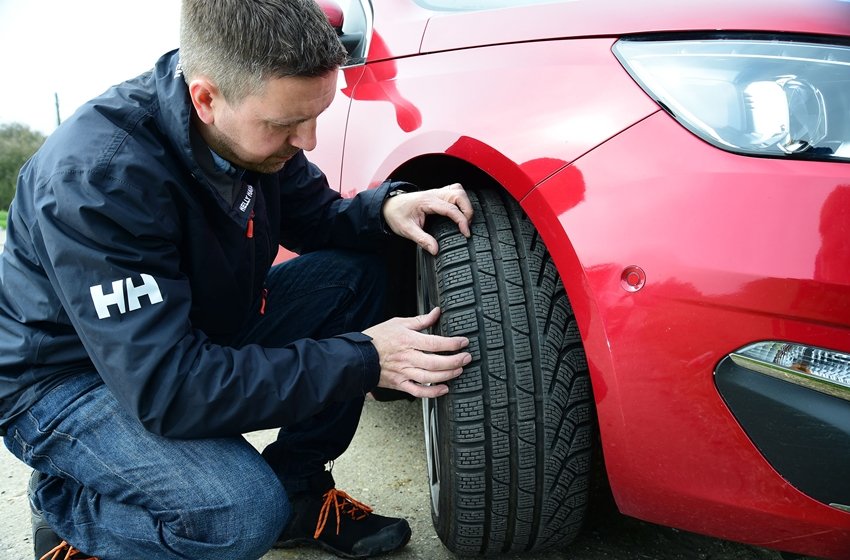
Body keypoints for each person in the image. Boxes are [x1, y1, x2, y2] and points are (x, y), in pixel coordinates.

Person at [0, 0, 474, 559]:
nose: (309, 140)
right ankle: (71, 500)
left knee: (363, 276)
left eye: (315, 114)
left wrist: (383, 210)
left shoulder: (248, 127)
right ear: (205, 99)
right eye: (286, 124)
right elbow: (170, 391)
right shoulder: (100, 182)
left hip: (186, 331)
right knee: (241, 513)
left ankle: (300, 493)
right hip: (68, 380)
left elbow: (317, 215)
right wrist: (367, 358)